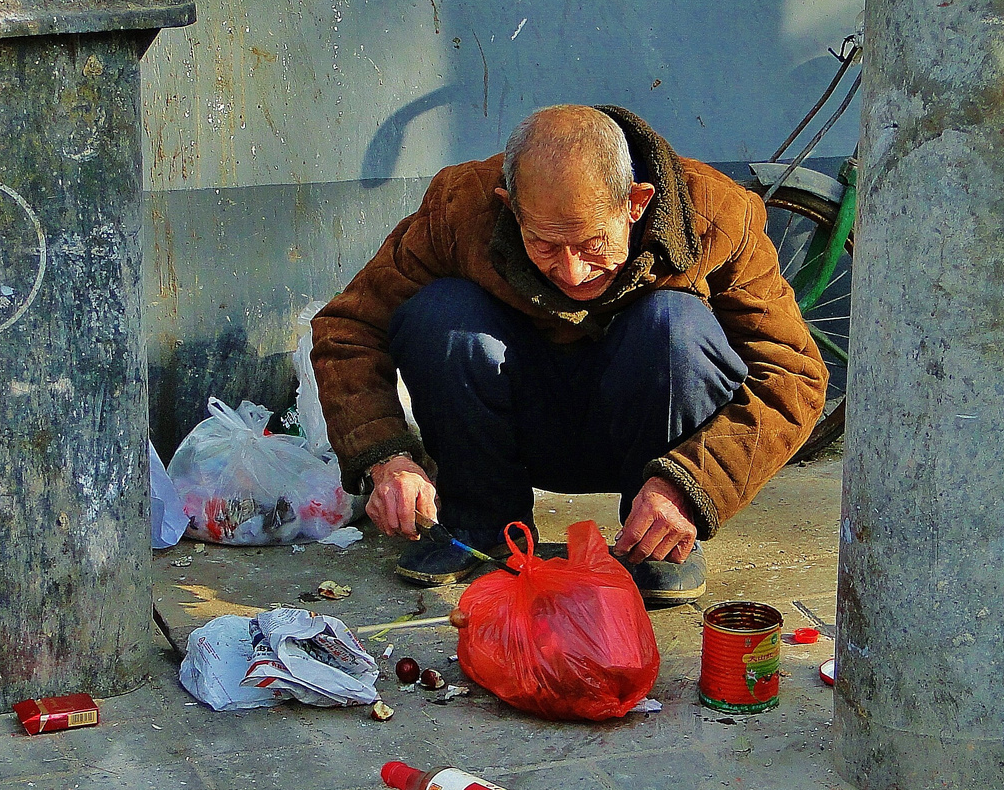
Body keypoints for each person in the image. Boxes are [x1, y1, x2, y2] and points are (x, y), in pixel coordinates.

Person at [310, 104, 828, 602]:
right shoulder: (459, 206)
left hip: (650, 440)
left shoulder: (716, 214)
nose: (572, 271)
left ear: (636, 203)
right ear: (512, 209)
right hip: (515, 426)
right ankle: (480, 525)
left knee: (673, 323)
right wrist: (388, 457)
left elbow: (794, 374)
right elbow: (348, 327)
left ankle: (658, 544)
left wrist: (697, 484)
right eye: (545, 245)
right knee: (443, 315)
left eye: (592, 244)